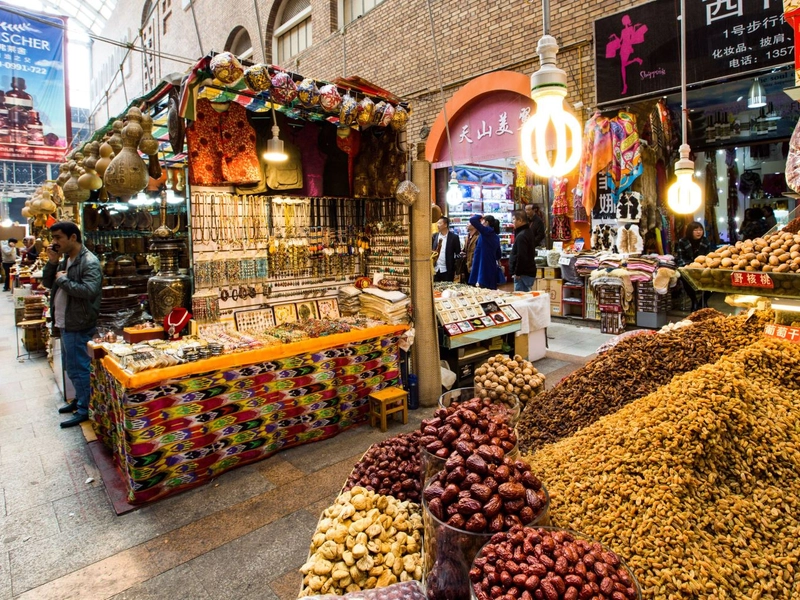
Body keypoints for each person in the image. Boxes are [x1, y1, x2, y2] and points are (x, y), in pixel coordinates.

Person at [42, 221, 102, 428]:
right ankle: (80, 400)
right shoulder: (65, 260)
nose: (55, 242)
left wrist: (63, 280)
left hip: (78, 322)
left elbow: (89, 291)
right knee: (71, 366)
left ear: (73, 237)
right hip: (66, 321)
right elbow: (48, 283)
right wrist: (52, 263)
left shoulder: (89, 261)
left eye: (58, 237)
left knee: (79, 368)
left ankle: (86, 408)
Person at [675, 221, 713, 312]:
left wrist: (703, 266)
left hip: (702, 268)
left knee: (714, 279)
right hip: (687, 268)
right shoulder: (682, 241)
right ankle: (694, 301)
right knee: (685, 278)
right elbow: (680, 258)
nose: (699, 232)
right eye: (695, 230)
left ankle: (702, 302)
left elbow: (708, 257)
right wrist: (689, 266)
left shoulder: (705, 241)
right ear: (690, 231)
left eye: (700, 230)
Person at [468, 214, 502, 289]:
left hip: (483, 265)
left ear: (486, 222)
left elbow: (472, 220)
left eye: (482, 221)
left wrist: (480, 216)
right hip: (491, 265)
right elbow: (498, 254)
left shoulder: (485, 231)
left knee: (483, 288)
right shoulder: (495, 236)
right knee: (492, 289)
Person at [509, 210, 538, 292]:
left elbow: (521, 256)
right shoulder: (527, 232)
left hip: (523, 274)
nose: (512, 222)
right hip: (526, 272)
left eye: (514, 219)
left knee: (521, 300)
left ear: (520, 220)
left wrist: (518, 273)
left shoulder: (522, 235)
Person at [431, 216, 461, 282]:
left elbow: (458, 253)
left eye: (439, 223)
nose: (437, 225)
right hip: (435, 269)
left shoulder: (454, 237)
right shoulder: (434, 236)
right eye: (437, 223)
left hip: (448, 270)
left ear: (445, 225)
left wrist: (457, 271)